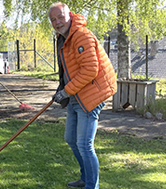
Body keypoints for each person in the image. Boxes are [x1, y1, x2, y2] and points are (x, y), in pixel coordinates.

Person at [48, 2, 117, 189]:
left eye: (60, 17)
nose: (57, 22)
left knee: (84, 144)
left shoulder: (81, 36)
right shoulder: (64, 38)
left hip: (91, 95)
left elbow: (90, 71)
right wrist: (61, 91)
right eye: (53, 20)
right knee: (71, 139)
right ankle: (86, 178)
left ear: (69, 14)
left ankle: (91, 185)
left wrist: (65, 91)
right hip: (75, 95)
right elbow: (68, 70)